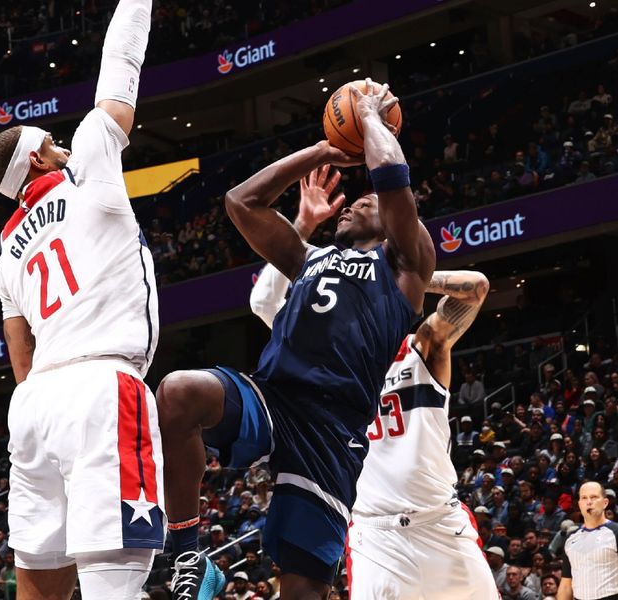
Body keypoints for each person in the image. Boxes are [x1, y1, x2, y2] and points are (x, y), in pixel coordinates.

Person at [156, 78, 436, 599]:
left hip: (330, 429)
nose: (353, 204)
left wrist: (369, 117)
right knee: (177, 392)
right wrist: (322, 150)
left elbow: (394, 179)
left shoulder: (406, 265)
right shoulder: (310, 257)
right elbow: (242, 202)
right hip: (274, 395)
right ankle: (187, 553)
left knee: (302, 590)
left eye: (366, 202)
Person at [0, 0, 164, 598]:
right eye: (51, 142)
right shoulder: (88, 162)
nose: (63, 143)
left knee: (39, 585)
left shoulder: (7, 252)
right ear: (37, 158)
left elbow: (20, 360)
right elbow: (121, 63)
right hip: (100, 388)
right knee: (116, 587)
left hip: (34, 407)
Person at [250, 204, 495, 597]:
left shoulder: (421, 349)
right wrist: (304, 224)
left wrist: (396, 274)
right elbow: (263, 303)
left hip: (440, 525)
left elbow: (477, 286)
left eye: (367, 204)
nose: (352, 207)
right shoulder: (330, 358)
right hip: (374, 536)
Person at [558, 481, 618, 600]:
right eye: (584, 498)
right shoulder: (570, 539)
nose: (589, 502)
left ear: (605, 502)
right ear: (579, 504)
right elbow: (566, 584)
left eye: (594, 497)